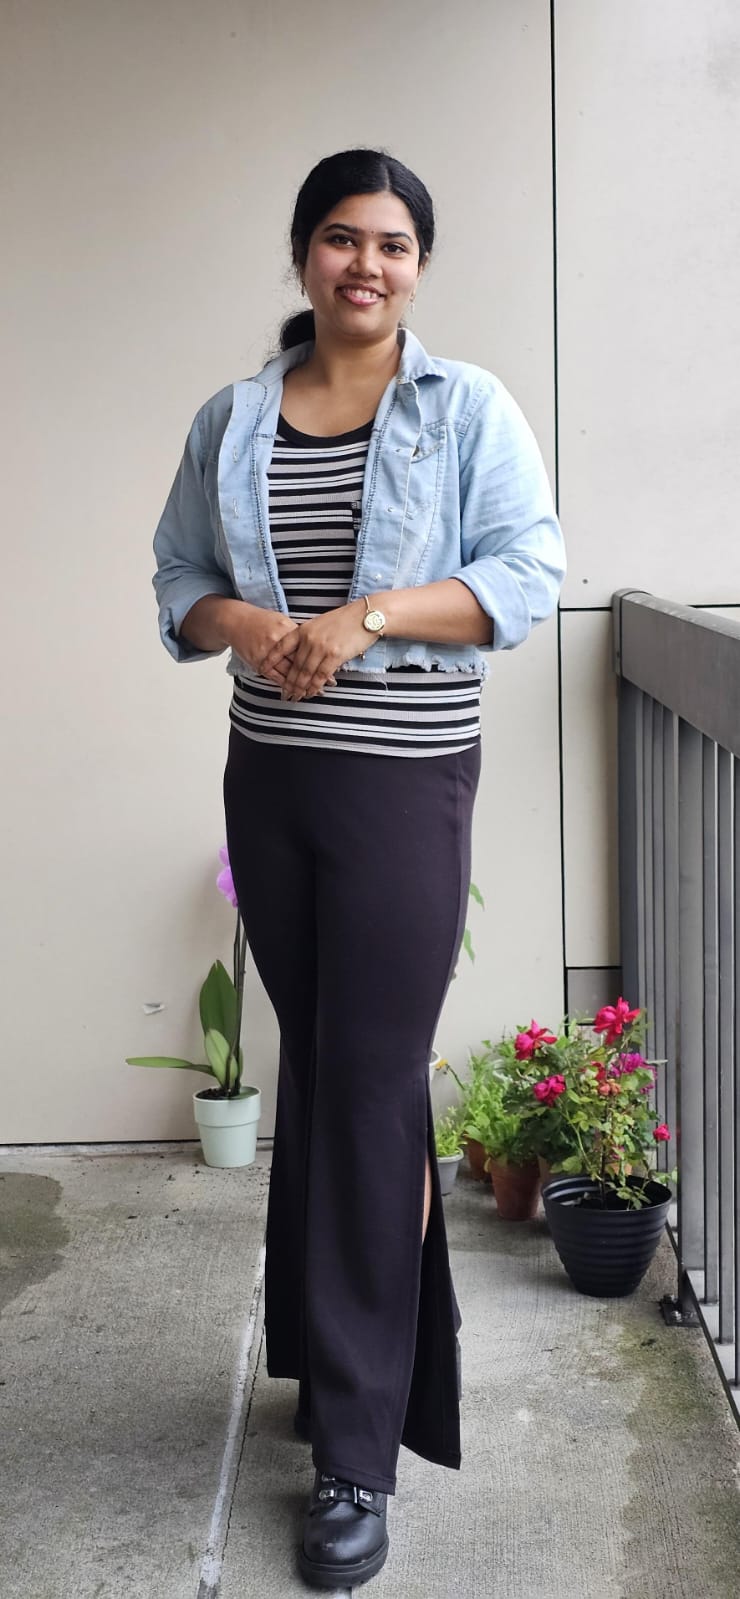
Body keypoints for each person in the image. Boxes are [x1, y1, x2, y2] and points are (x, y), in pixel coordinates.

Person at [152, 147, 566, 1591]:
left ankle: (355, 1457)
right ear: (303, 254)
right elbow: (179, 582)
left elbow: (526, 575)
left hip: (403, 787)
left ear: (418, 267)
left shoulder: (466, 409)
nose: (366, 265)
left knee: (375, 1085)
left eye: (392, 244)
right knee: (323, 1068)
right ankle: (348, 1369)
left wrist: (367, 615)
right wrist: (248, 628)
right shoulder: (233, 418)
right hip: (270, 783)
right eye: (341, 239)